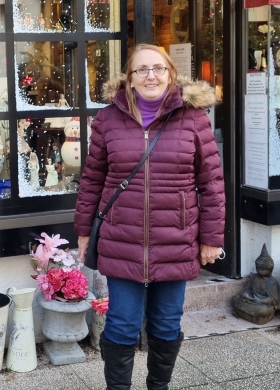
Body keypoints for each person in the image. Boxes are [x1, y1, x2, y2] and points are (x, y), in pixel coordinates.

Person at [74, 44, 226, 390]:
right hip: (121, 240)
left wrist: (212, 238)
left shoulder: (193, 117)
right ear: (129, 78)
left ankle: (159, 386)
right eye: (141, 70)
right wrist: (84, 233)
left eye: (158, 68)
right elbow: (92, 178)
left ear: (171, 74)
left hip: (175, 238)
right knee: (121, 325)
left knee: (166, 324)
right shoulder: (108, 119)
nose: (150, 76)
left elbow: (212, 183)